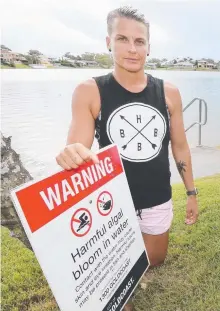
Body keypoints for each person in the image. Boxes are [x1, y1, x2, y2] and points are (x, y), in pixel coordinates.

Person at [55, 6, 199, 309]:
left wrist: (191, 192)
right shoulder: (89, 90)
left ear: (148, 46)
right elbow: (78, 147)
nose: (132, 49)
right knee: (118, 277)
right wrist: (72, 153)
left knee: (155, 259)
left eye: (139, 41)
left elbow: (181, 147)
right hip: (112, 204)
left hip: (157, 195)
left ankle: (129, 259)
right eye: (122, 39)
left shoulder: (169, 92)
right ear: (108, 41)